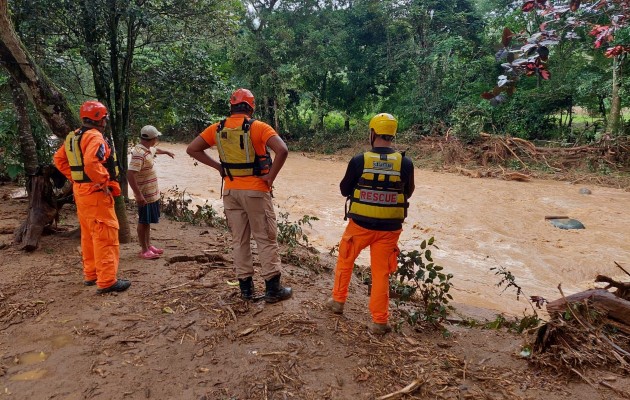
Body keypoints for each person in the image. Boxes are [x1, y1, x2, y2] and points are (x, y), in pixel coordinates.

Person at [186, 88, 292, 303]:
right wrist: (270, 178)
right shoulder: (259, 127)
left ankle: (246, 290)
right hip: (256, 192)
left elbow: (192, 149)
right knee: (265, 238)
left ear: (231, 105)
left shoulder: (217, 128)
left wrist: (218, 166)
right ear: (251, 107)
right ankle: (273, 289)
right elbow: (282, 150)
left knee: (239, 240)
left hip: (231, 192)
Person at [325, 113, 415, 334]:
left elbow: (345, 190)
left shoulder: (359, 161)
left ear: (372, 133)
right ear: (393, 135)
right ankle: (379, 322)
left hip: (360, 226)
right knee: (380, 273)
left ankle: (338, 302)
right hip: (389, 230)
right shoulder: (405, 163)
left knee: (345, 260)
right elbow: (408, 192)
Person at [53, 100, 131, 294]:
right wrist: (104, 182)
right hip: (96, 194)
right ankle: (106, 281)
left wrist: (77, 179)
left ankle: (91, 274)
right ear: (100, 119)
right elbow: (90, 163)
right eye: (104, 118)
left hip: (82, 192)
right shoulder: (95, 137)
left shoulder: (74, 136)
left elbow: (59, 159)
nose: (106, 121)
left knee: (89, 234)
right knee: (105, 235)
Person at [127, 125, 175, 259]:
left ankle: (148, 246)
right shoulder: (139, 154)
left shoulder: (147, 149)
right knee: (143, 221)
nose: (157, 140)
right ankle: (144, 250)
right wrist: (138, 195)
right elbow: (130, 174)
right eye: (156, 137)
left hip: (151, 194)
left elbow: (155, 150)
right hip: (145, 195)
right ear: (153, 138)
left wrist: (166, 152)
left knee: (147, 221)